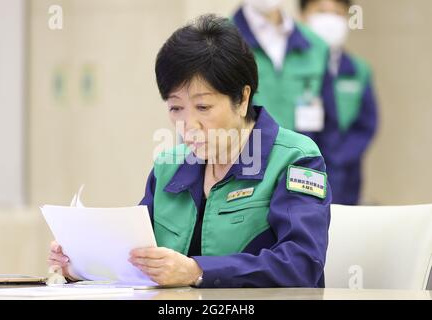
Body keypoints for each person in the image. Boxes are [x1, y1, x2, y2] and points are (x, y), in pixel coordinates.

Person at [48, 14, 331, 288]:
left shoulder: (295, 159)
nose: (188, 126)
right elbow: (133, 258)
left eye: (203, 107)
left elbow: (302, 263)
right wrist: (79, 265)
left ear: (242, 98)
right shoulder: (168, 167)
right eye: (175, 108)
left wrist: (197, 271)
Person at [232, 0, 339, 157]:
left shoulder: (316, 46)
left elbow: (330, 127)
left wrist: (322, 172)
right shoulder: (217, 43)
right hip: (242, 169)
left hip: (302, 169)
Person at [301, 0, 378, 205]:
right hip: (299, 168)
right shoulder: (293, 65)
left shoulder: (357, 69)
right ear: (303, 16)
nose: (329, 19)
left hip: (344, 176)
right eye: (321, 11)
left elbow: (366, 124)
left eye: (337, 12)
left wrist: (338, 158)